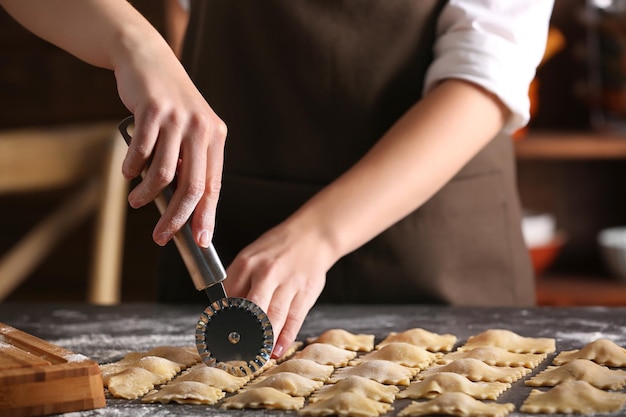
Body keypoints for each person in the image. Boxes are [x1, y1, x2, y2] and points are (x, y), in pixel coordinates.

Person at [1, 0, 555, 360]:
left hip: (438, 244)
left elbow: (486, 73)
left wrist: (317, 236)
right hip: (229, 234)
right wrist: (135, 44)